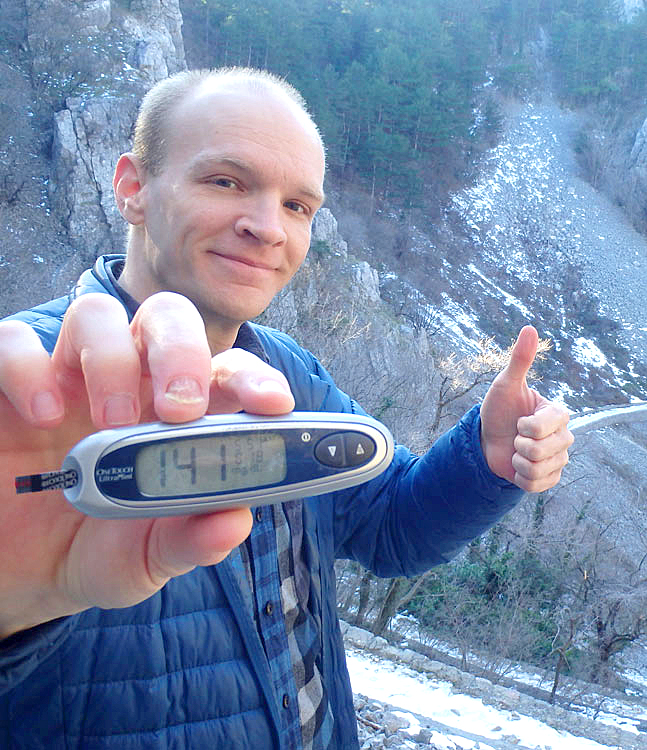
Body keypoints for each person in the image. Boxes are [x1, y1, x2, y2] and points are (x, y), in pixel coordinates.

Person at [0, 67, 573, 749]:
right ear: (132, 188)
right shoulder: (27, 405)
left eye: (299, 205)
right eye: (226, 181)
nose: (268, 227)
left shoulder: (287, 374)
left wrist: (485, 456)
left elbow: (391, 529)